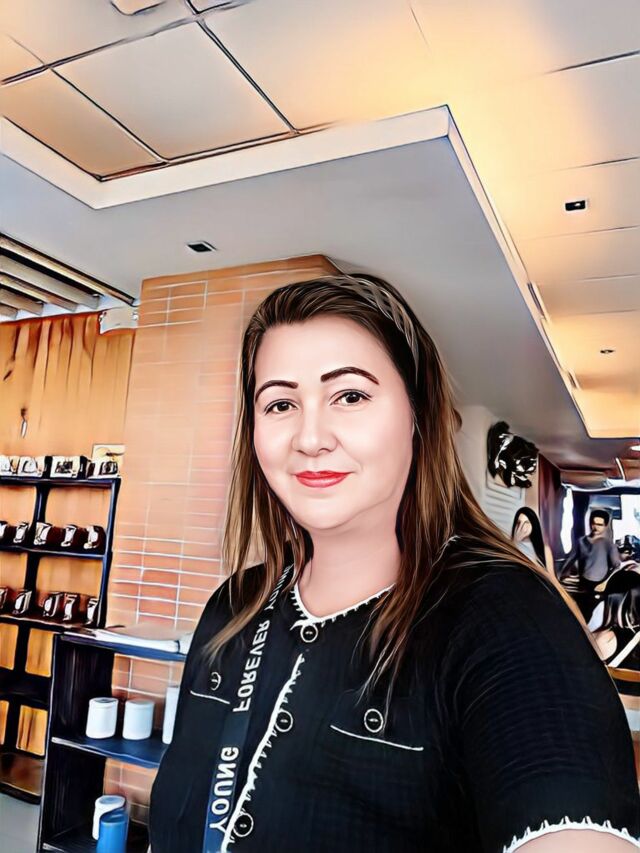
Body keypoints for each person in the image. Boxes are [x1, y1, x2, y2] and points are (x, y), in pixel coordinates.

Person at [149, 274, 640, 852]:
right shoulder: (233, 605)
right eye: (280, 404)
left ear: (416, 414)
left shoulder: (505, 619)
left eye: (350, 396)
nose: (310, 438)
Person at [510, 506, 554, 573]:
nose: (522, 526)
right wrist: (516, 541)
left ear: (533, 524)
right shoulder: (511, 546)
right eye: (519, 522)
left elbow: (551, 576)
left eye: (526, 522)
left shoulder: (544, 548)